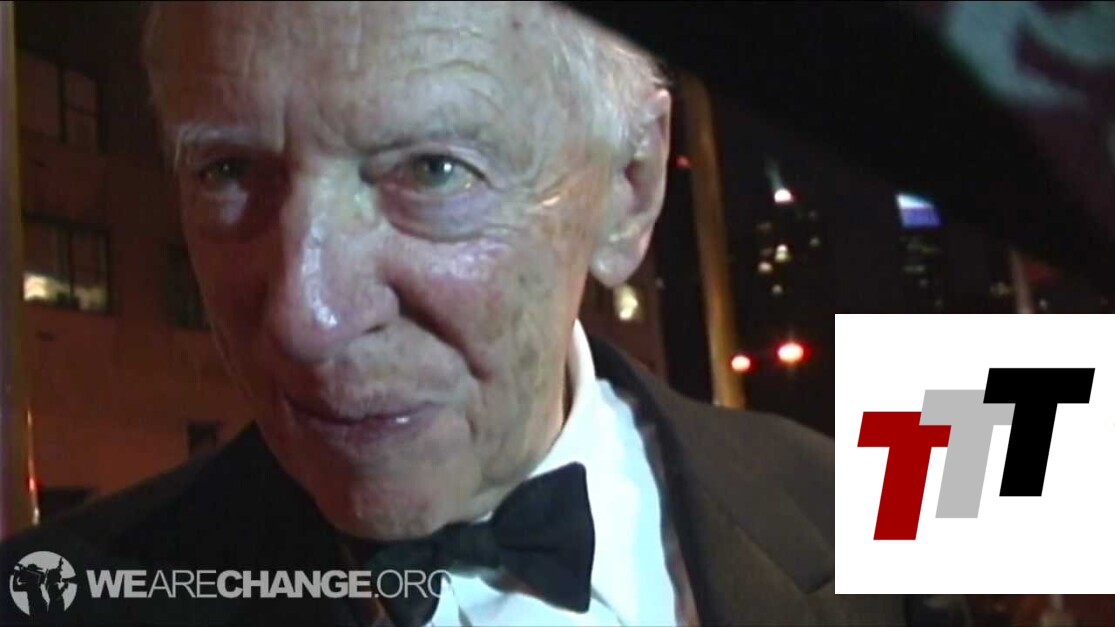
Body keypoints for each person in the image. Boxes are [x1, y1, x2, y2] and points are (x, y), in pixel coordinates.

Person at [0, 2, 965, 625]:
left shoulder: (873, 512)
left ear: (629, 188)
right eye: (228, 171)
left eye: (431, 170)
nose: (303, 316)